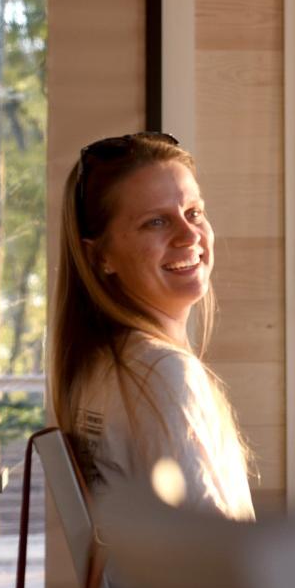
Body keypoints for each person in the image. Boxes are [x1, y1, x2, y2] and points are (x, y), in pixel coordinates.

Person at [50, 131, 254, 521]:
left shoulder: (103, 367)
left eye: (194, 212)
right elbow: (210, 558)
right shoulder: (159, 372)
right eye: (156, 221)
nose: (190, 234)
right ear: (100, 256)